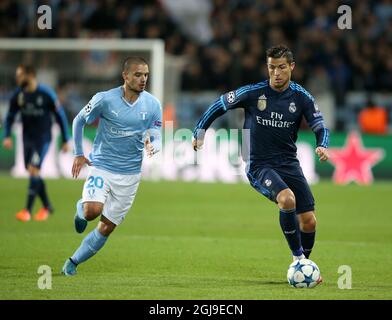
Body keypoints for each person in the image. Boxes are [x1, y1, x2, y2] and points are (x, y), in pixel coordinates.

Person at [192, 45, 329, 281]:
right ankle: (298, 261)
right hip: (258, 162)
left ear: (292, 67)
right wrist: (199, 130)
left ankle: (304, 266)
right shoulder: (255, 92)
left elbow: (319, 125)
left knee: (309, 220)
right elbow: (220, 103)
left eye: (282, 67)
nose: (276, 73)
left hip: (289, 162)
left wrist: (322, 144)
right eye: (271, 68)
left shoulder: (301, 96)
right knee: (287, 199)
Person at [62, 57, 162, 276]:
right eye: (138, 74)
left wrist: (154, 145)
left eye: (146, 75)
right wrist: (78, 153)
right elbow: (78, 120)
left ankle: (73, 261)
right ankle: (82, 208)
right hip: (102, 166)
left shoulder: (153, 104)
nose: (143, 79)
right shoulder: (104, 100)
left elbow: (157, 135)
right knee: (92, 212)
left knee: (107, 227)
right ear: (125, 75)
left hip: (130, 175)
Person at [2, 64, 70, 222]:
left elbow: (60, 117)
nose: (17, 78)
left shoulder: (46, 94)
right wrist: (6, 136)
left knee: (33, 169)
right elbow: (10, 116)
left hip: (43, 138)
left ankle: (27, 211)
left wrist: (66, 139)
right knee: (32, 171)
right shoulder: (18, 95)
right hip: (26, 138)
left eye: (20, 75)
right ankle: (47, 205)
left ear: (30, 75)